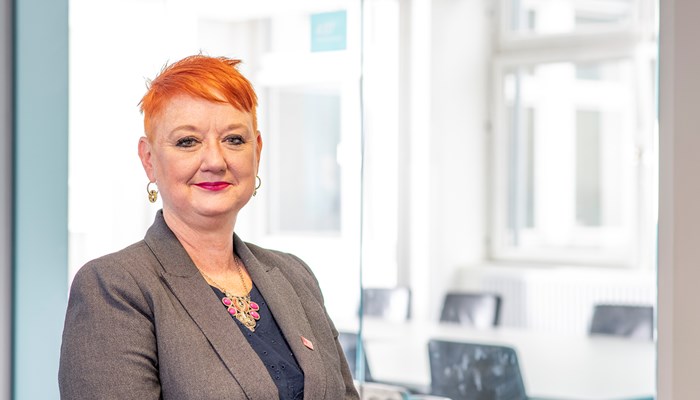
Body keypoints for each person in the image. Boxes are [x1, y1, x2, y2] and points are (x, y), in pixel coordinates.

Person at [58, 55, 360, 400]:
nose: (216, 161)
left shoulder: (295, 276)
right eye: (188, 141)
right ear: (149, 159)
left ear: (257, 151)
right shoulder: (115, 287)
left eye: (234, 140)